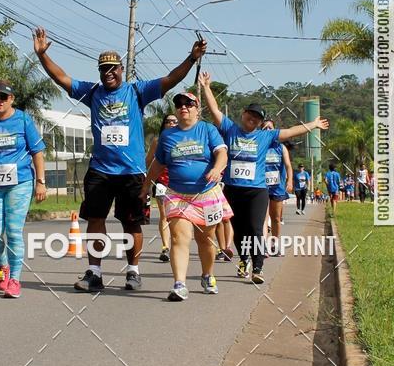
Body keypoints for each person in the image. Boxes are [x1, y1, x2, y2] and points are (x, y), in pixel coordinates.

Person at [34, 28, 207, 293]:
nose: (108, 73)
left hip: (131, 171)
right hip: (101, 170)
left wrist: (191, 58)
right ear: (100, 72)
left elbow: (171, 79)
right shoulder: (92, 93)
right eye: (104, 69)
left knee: (131, 222)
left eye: (113, 68)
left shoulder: (137, 91)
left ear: (121, 69)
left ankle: (133, 272)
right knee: (95, 219)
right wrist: (43, 56)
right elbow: (62, 78)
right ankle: (94, 272)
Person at [200, 72, 329, 285]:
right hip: (232, 189)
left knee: (256, 228)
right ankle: (244, 260)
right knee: (239, 230)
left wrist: (312, 125)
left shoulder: (265, 136)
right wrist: (206, 87)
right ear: (243, 114)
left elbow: (290, 132)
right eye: (250, 115)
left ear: (260, 122)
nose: (252, 119)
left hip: (257, 191)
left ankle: (258, 266)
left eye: (257, 118)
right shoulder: (230, 129)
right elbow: (214, 110)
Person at [141, 91, 230, 301]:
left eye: (189, 104)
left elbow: (222, 153)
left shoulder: (207, 130)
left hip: (206, 193)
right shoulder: (167, 136)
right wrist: (145, 186)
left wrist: (217, 169)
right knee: (179, 238)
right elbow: (158, 165)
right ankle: (179, 284)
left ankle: (207, 274)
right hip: (177, 195)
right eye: (179, 104)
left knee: (206, 241)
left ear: (197, 109)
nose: (184, 107)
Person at [0, 81, 47, 299]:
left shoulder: (22, 120)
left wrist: (41, 182)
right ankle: (3, 266)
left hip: (19, 183)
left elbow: (37, 152)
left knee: (13, 232)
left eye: (3, 97)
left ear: (11, 99)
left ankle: (15, 280)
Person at [145, 114, 178, 261]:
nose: (171, 123)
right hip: (161, 182)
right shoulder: (157, 142)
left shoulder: (184, 139)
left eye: (174, 121)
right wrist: (145, 178)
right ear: (164, 124)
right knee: (164, 215)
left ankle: (178, 244)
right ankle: (165, 247)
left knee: (177, 216)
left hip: (180, 183)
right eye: (168, 121)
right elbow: (148, 160)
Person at [262, 120, 294, 249]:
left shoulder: (281, 147)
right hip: (261, 186)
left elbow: (288, 166)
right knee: (262, 218)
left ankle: (275, 242)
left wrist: (290, 180)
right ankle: (263, 246)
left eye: (270, 127)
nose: (268, 130)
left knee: (275, 218)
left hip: (277, 187)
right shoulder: (259, 145)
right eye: (265, 128)